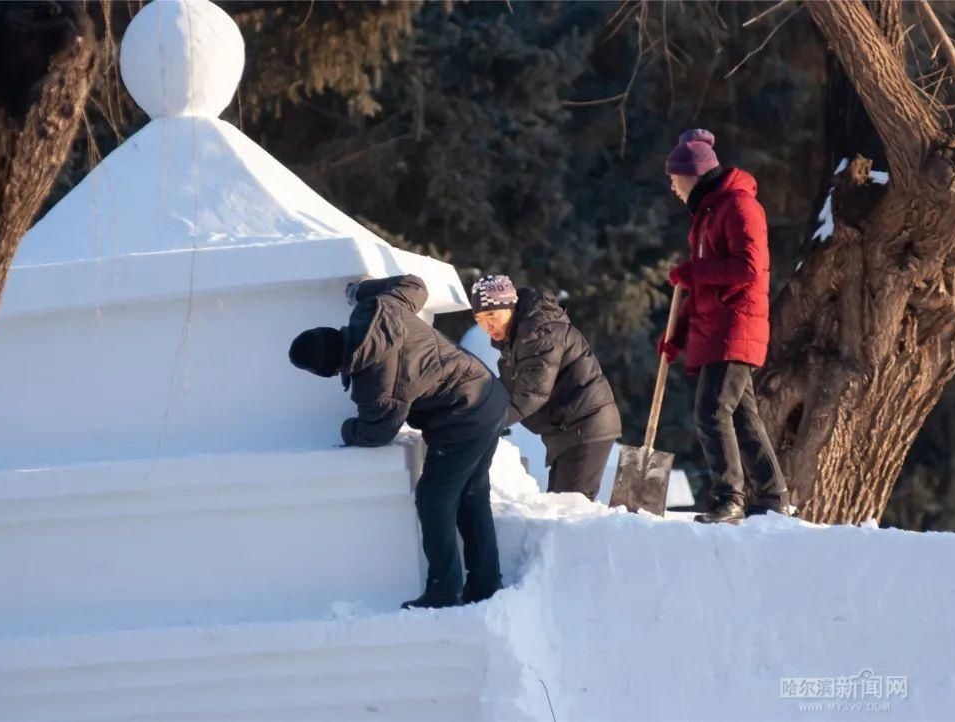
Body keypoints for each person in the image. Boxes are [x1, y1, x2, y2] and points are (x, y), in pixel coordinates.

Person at [289, 274, 507, 609]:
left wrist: (347, 429)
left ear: (329, 370)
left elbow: (376, 432)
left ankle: (444, 591)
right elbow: (416, 285)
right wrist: (360, 290)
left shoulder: (374, 384)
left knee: (435, 500)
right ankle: (486, 583)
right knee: (471, 494)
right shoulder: (378, 309)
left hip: (463, 415)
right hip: (486, 390)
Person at [659, 128, 789, 524]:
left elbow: (747, 268)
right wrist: (676, 337)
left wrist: (693, 270)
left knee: (712, 412)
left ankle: (729, 498)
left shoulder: (739, 206)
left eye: (674, 178)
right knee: (742, 416)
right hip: (719, 328)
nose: (672, 187)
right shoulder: (709, 214)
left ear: (693, 173)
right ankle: (773, 497)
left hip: (736, 326)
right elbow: (699, 289)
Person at [471, 274, 622, 501]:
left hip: (584, 427)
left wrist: (487, 424)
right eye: (479, 319)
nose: (486, 325)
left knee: (569, 513)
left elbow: (532, 393)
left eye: (491, 314)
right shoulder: (519, 339)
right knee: (560, 508)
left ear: (510, 306)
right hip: (568, 431)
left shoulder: (539, 332)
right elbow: (508, 390)